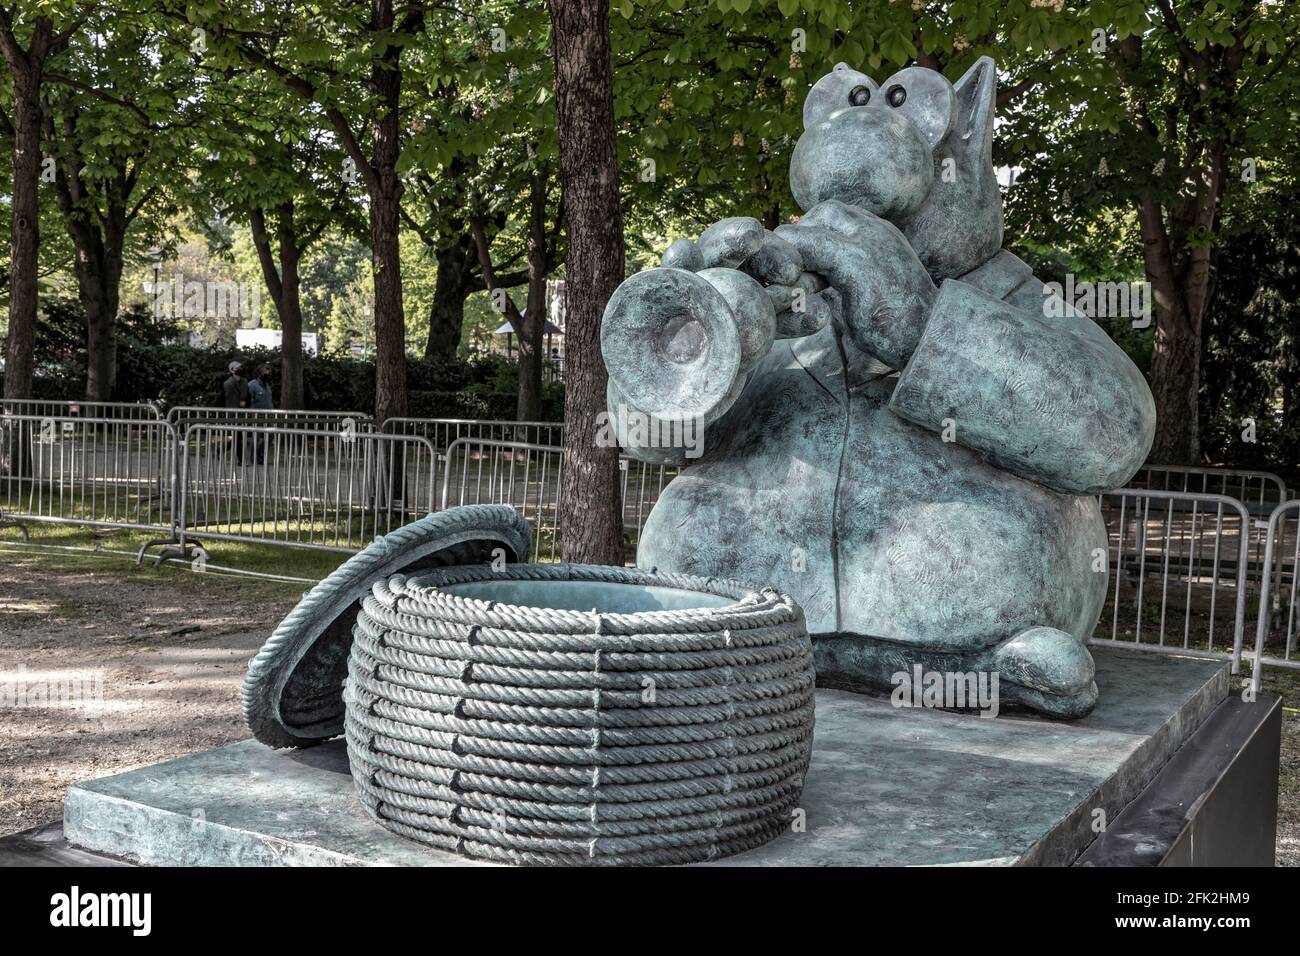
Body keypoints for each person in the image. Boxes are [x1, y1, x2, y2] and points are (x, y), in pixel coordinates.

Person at [222, 360, 249, 465]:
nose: (240, 369)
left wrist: (244, 401)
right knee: (237, 437)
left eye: (240, 367)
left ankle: (220, 450)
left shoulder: (244, 381)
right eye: (237, 368)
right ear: (232, 370)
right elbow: (228, 400)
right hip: (233, 413)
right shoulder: (228, 384)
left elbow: (247, 395)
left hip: (242, 412)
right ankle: (240, 459)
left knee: (237, 437)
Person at [247, 365, 274, 464]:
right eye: (265, 372)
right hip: (257, 414)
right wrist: (252, 414)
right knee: (256, 436)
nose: (267, 374)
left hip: (268, 415)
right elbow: (250, 401)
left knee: (271, 435)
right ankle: (253, 459)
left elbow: (269, 400)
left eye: (269, 372)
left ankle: (259, 452)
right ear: (259, 373)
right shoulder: (252, 385)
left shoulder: (267, 385)